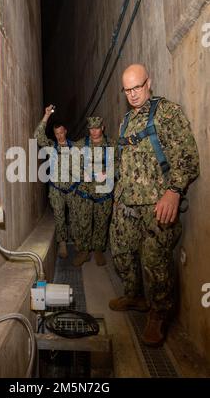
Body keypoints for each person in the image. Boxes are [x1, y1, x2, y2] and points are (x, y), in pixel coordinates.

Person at [109, 64, 199, 346]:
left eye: (137, 87)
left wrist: (174, 191)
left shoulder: (166, 112)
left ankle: (158, 315)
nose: (133, 94)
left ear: (149, 82)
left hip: (157, 203)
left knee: (154, 260)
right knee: (121, 250)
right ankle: (135, 295)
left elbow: (188, 157)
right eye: (127, 90)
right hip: (126, 202)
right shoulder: (126, 120)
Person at [34, 105, 77, 258]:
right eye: (56, 133)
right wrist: (46, 115)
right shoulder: (51, 147)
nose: (59, 136)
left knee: (75, 216)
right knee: (59, 216)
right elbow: (38, 136)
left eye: (61, 132)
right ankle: (62, 244)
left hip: (72, 188)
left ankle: (77, 241)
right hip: (56, 189)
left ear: (65, 131)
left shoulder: (75, 147)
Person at [72, 117, 115, 267]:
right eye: (91, 129)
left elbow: (121, 164)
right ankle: (84, 251)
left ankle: (98, 249)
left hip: (104, 192)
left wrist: (108, 172)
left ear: (102, 127)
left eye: (97, 128)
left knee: (101, 221)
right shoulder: (79, 145)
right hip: (85, 190)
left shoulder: (111, 144)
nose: (94, 132)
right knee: (84, 221)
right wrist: (85, 175)